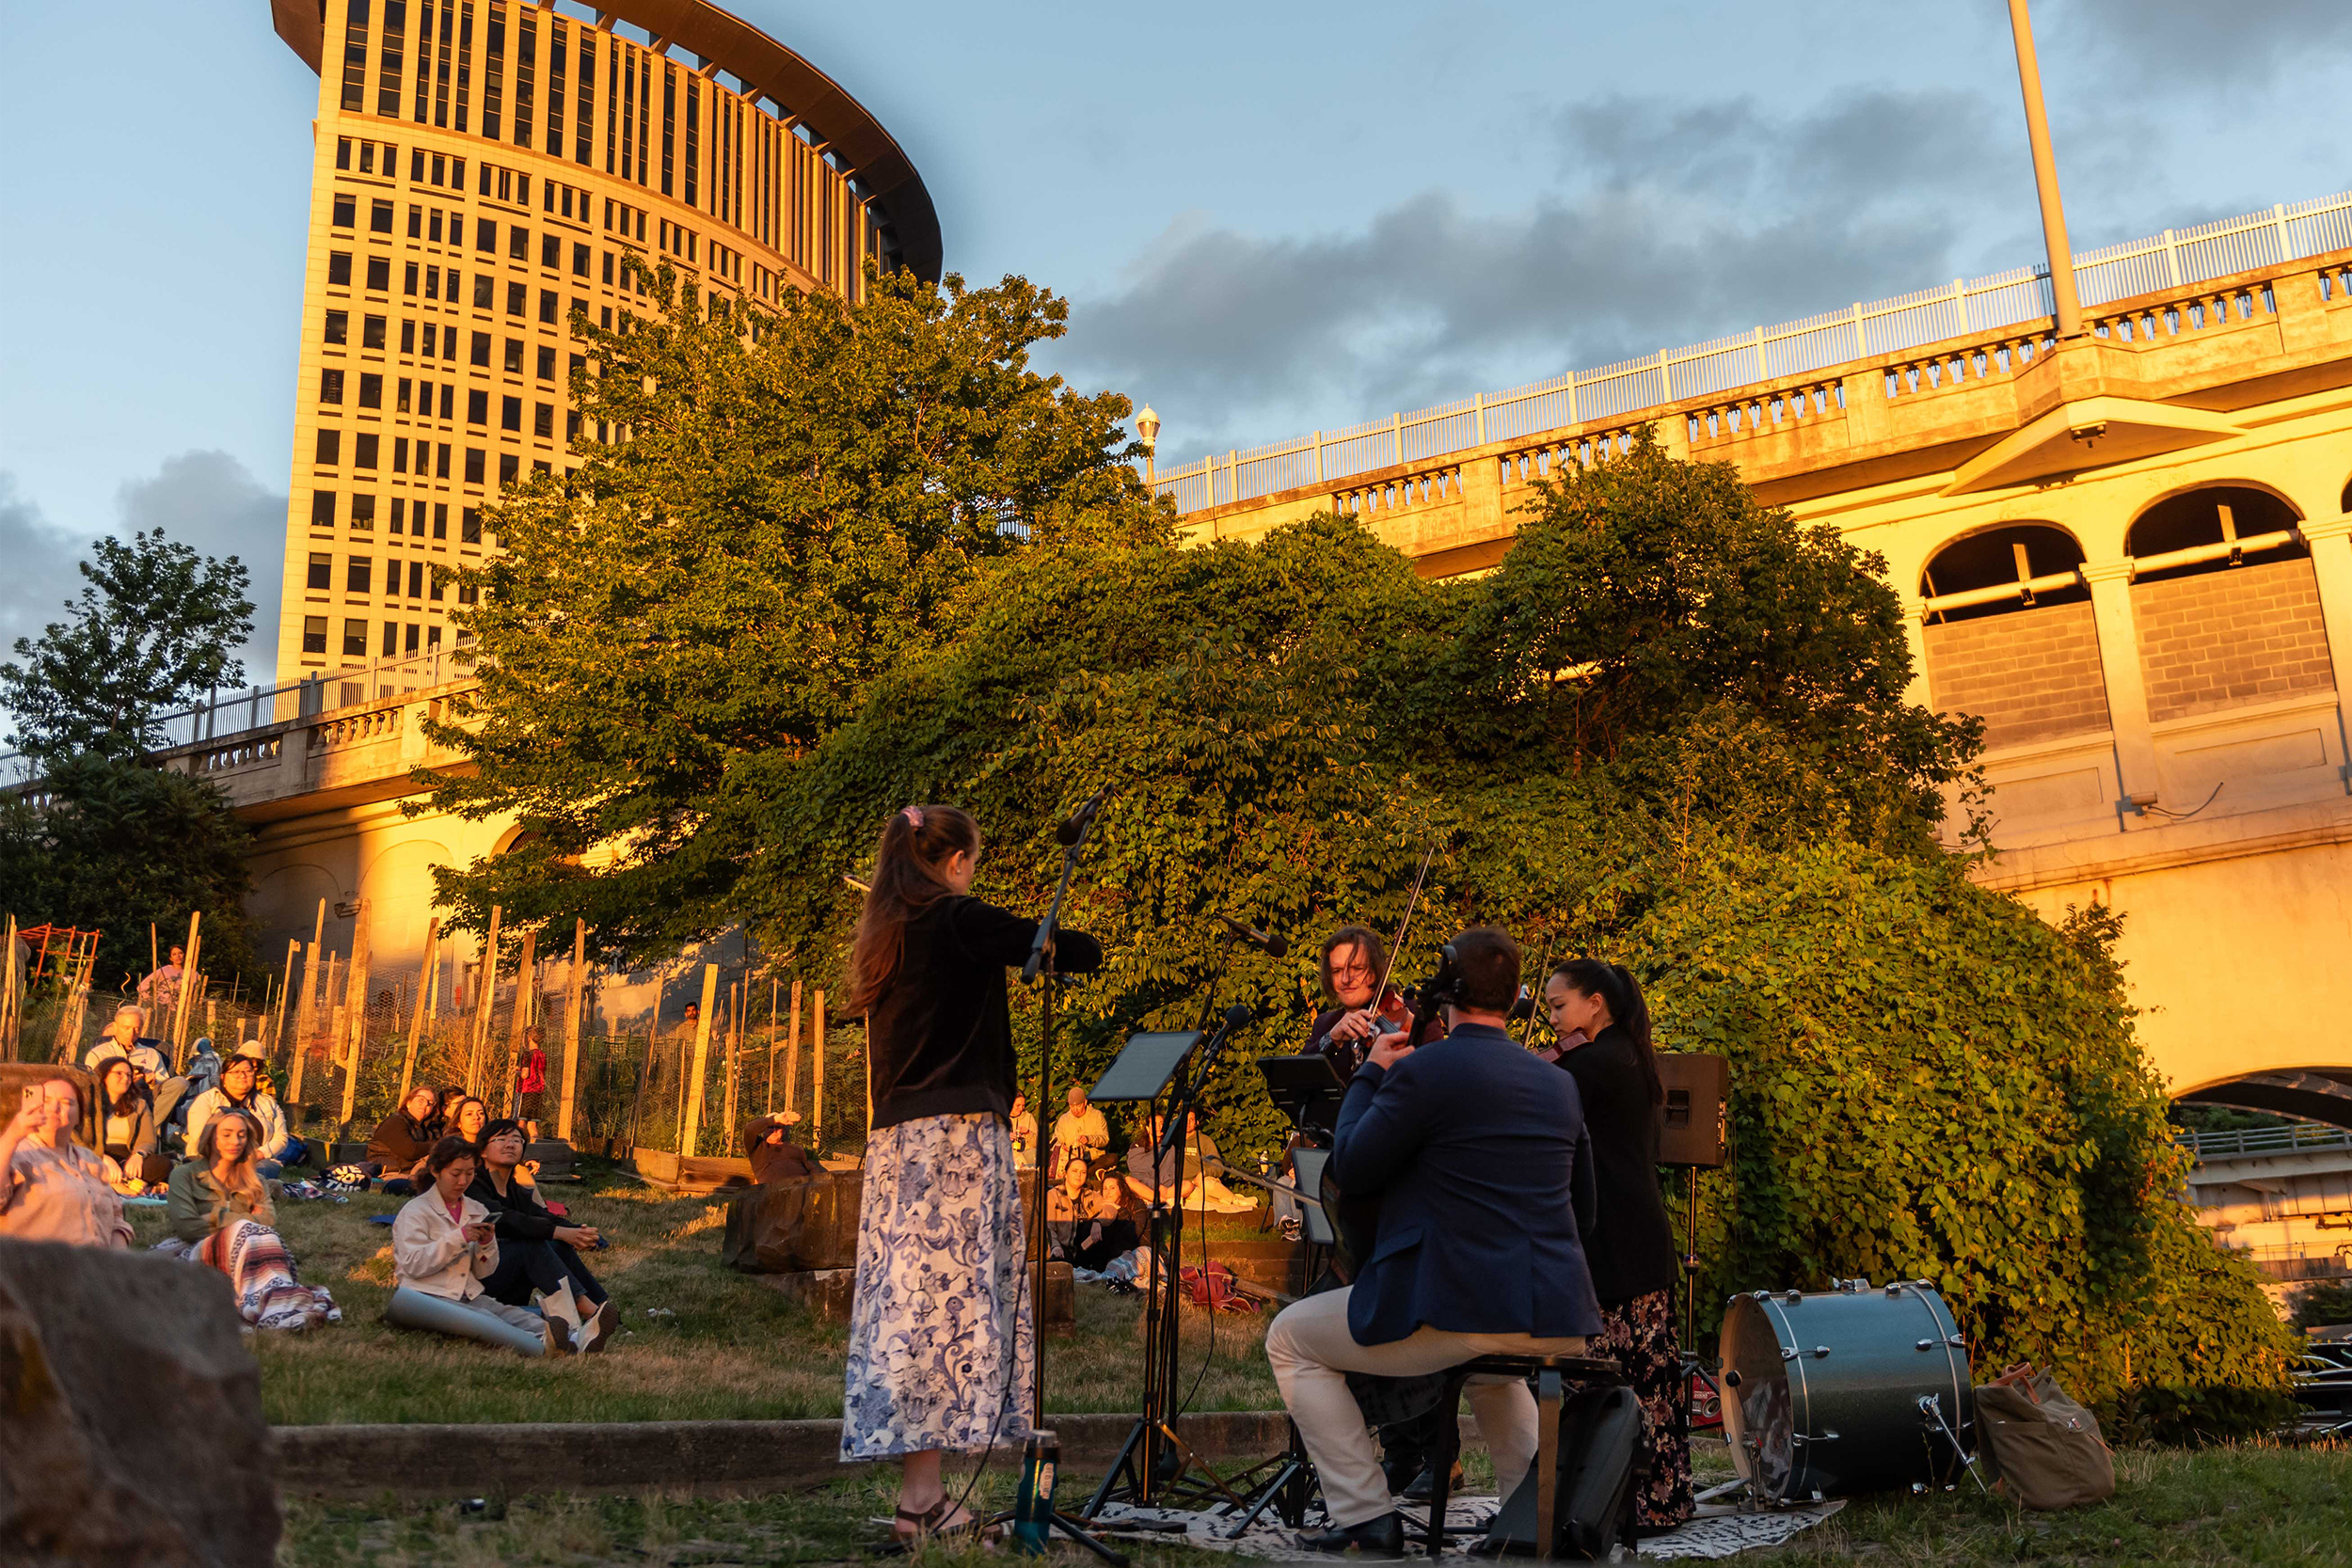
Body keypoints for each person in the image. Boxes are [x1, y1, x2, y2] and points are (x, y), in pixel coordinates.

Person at [1263, 927, 1602, 1556]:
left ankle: (1366, 1514)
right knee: (1493, 1372)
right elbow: (1584, 1212)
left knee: (1289, 1337)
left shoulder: (1425, 1070)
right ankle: (1528, 1517)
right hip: (1557, 1310)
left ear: (1445, 989)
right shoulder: (1559, 1083)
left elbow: (1355, 1164)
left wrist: (1368, 1075)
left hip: (1462, 1305)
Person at [836, 803, 1104, 1544]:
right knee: (950, 1310)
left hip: (899, 1145)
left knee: (915, 1315)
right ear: (953, 859)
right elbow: (1064, 948)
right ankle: (922, 1498)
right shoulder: (955, 916)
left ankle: (921, 1496)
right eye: (973, 860)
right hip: (953, 1143)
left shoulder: (888, 931)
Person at [1543, 959, 1692, 1532]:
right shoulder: (1624, 1054)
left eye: (1560, 1007)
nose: (1553, 1019)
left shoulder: (1596, 1064)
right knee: (1646, 1377)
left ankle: (1635, 1506)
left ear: (1596, 1004)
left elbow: (1530, 1090)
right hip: (1634, 1239)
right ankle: (1655, 1501)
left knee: (1623, 1379)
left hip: (1618, 1242)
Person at [387, 1136, 566, 1356]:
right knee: (490, 1322)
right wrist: (459, 1238)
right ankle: (545, 1345)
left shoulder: (476, 1209)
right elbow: (414, 1266)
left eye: (470, 1174)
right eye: (455, 1174)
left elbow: (483, 1272)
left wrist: (486, 1245)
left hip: (468, 1294)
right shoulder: (415, 1211)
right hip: (427, 1295)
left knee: (514, 1316)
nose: (463, 1181)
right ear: (435, 1171)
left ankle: (574, 1338)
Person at [163, 1109, 339, 1330]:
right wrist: (243, 1221)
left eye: (241, 1134)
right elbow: (187, 1227)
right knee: (248, 1230)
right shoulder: (184, 1175)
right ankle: (279, 1310)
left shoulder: (255, 1179)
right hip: (195, 1252)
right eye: (226, 1134)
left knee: (260, 1237)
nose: (235, 1141)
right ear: (211, 1136)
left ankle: (281, 1305)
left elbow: (268, 1221)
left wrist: (215, 1218)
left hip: (248, 1252)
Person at [469, 1119, 617, 1352]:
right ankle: (589, 1311)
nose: (510, 1145)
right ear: (483, 1151)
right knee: (530, 1244)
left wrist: (577, 1231)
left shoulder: (514, 1189)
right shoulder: (472, 1183)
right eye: (501, 1139)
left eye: (517, 1140)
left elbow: (541, 1215)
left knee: (558, 1246)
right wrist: (560, 1232)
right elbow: (505, 1219)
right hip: (478, 1281)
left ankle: (603, 1310)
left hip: (508, 1283)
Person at [0, 1075, 132, 1247]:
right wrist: (12, 1136)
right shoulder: (16, 1153)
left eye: (67, 1102)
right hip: (35, 1269)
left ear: (79, 1117)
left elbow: (116, 1217)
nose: (54, 1108)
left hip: (96, 1269)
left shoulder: (90, 1159)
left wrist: (117, 1260)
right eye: (46, 1101)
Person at [1307, 925, 1416, 1076]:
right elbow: (1296, 1076)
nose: (1346, 979)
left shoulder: (1413, 1013)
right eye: (1337, 971)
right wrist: (1332, 1040)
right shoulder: (1325, 1024)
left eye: (1357, 969)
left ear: (1375, 971)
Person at [184, 1052, 296, 1175]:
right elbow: (201, 1135)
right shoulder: (207, 1100)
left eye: (248, 1071)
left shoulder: (268, 1103)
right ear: (223, 1077)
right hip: (212, 1160)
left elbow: (281, 1138)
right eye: (235, 1072)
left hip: (256, 1163)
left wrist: (256, 1155)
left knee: (261, 1172)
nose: (243, 1076)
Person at [84, 1005, 190, 1131]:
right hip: (111, 1100)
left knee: (180, 1082)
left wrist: (153, 1082)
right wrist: (125, 1081)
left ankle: (149, 1128)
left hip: (146, 1099)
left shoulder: (151, 1054)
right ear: (116, 1027)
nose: (131, 1033)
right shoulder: (99, 1053)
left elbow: (165, 1087)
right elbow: (90, 1084)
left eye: (136, 1029)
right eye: (126, 1028)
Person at [94, 1057, 166, 1195]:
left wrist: (139, 1155)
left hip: (126, 1158)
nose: (125, 1078)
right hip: (96, 1155)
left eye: (129, 1075)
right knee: (85, 1165)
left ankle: (120, 1184)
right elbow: (80, 1140)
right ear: (103, 1075)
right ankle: (129, 1188)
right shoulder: (90, 1103)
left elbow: (148, 1140)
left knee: (162, 1165)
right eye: (119, 1073)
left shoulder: (139, 1105)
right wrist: (102, 1157)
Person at [367, 1085, 445, 1195]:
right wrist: (439, 1145)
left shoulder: (428, 1129)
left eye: (430, 1103)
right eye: (421, 1100)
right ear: (408, 1103)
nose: (425, 1105)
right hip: (388, 1174)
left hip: (412, 1173)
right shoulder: (395, 1122)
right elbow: (410, 1151)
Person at [1049, 1085, 1109, 1178]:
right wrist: (1062, 1148)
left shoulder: (1097, 1115)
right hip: (1070, 1158)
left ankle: (1087, 1172)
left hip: (1091, 1157)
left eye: (1078, 1105)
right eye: (1072, 1106)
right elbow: (1056, 1140)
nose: (1075, 1109)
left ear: (1085, 1102)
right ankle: (1086, 1173)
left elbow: (1105, 1139)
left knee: (1112, 1158)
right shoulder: (1064, 1119)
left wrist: (1089, 1139)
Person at [743, 1112, 820, 1183]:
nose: (774, 1130)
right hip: (775, 1191)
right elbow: (749, 1130)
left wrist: (815, 1183)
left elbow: (811, 1168)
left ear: (783, 1131)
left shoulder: (796, 1149)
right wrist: (775, 1119)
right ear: (763, 1130)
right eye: (770, 1127)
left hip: (802, 1188)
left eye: (777, 1127)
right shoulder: (757, 1147)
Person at [513, 1025, 549, 1139]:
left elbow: (525, 1074)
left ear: (528, 1038)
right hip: (538, 1092)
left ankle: (519, 1147)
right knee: (532, 1126)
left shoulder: (528, 1054)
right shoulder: (542, 1055)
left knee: (520, 1123)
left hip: (526, 1091)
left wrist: (516, 1071)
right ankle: (535, 1148)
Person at [138, 943, 185, 1015]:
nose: (178, 956)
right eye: (174, 954)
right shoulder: (164, 971)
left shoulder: (193, 974)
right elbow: (143, 986)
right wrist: (149, 1000)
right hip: (163, 1010)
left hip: (183, 1010)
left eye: (180, 953)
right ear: (170, 958)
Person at [1008, 1094, 1038, 1165]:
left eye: (1023, 1105)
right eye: (1018, 1105)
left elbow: (1038, 1144)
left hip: (1026, 1160)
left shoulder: (1028, 1117)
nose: (1021, 1108)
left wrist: (1028, 1133)